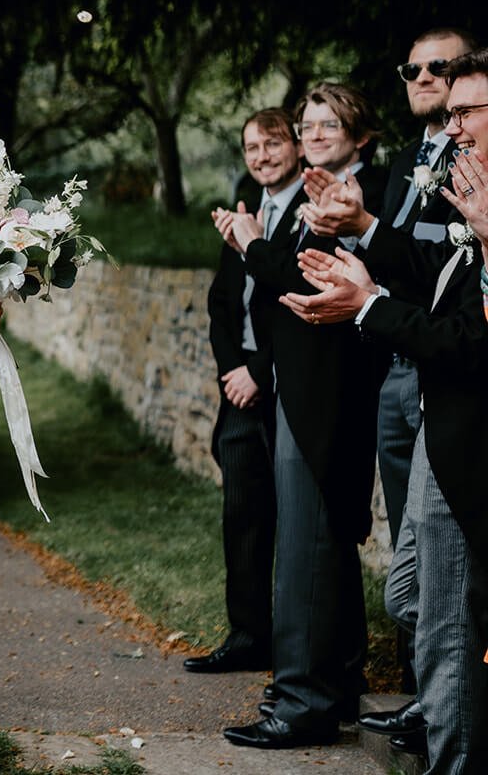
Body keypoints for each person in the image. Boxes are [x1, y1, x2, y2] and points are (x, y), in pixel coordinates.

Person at [284, 51, 488, 773]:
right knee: (412, 599)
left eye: (468, 114)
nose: (453, 128)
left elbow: (470, 340)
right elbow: (436, 277)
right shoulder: (475, 199)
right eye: (451, 113)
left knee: (445, 624)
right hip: (443, 423)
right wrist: (364, 245)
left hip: (469, 435)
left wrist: (366, 305)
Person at [217, 82, 389, 749]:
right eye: (309, 122)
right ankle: (331, 685)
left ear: (362, 135)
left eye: (330, 123)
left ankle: (302, 702)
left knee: (309, 546)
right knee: (317, 542)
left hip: (330, 384)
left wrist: (254, 244)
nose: (315, 133)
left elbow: (299, 278)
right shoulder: (323, 189)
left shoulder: (353, 199)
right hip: (302, 380)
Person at [187, 108, 304, 676]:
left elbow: (297, 304)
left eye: (273, 143)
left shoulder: (313, 211)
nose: (261, 155)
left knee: (298, 520)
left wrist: (260, 370)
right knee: (243, 516)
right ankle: (246, 635)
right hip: (239, 395)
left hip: (289, 390)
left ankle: (299, 643)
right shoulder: (246, 212)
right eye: (252, 147)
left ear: (298, 146)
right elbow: (220, 304)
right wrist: (233, 371)